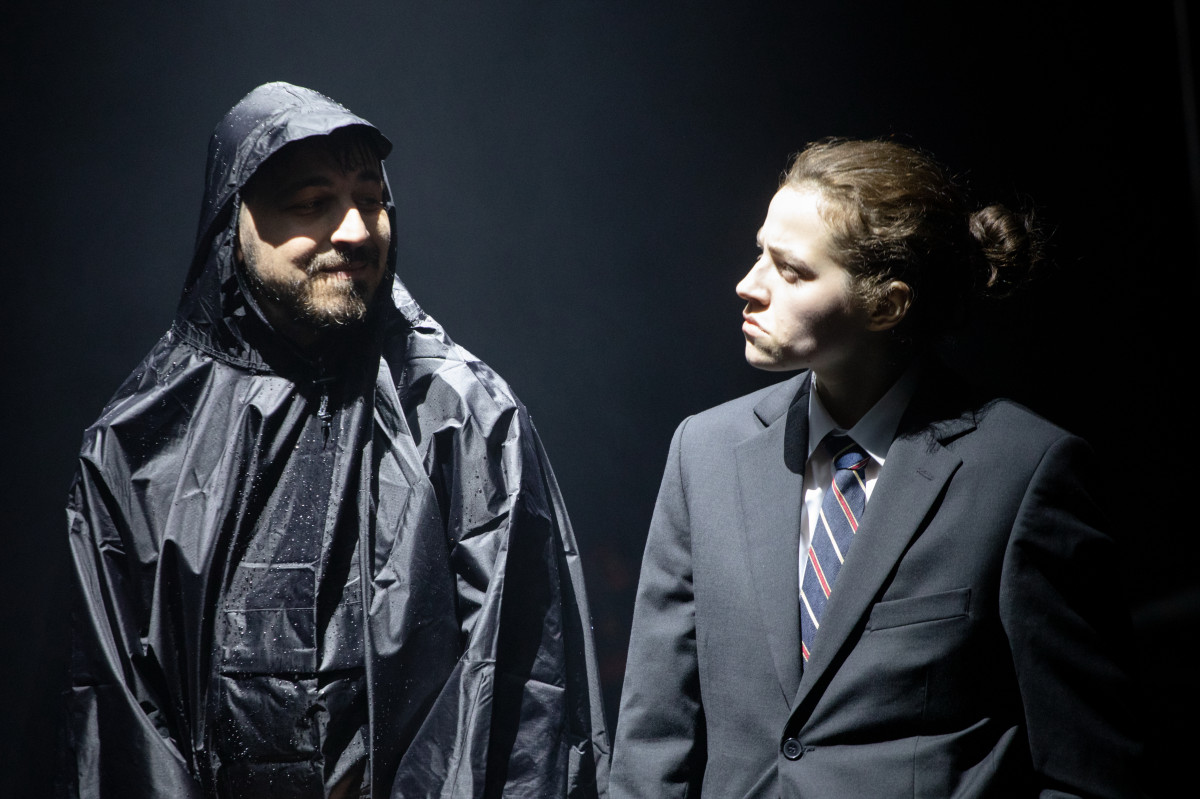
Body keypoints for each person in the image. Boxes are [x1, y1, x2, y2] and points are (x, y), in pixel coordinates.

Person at [60, 82, 609, 799]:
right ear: (234, 222)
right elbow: (121, 726)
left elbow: (520, 702)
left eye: (371, 199)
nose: (355, 230)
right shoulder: (140, 441)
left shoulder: (461, 417)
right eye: (312, 202)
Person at [609, 138, 1144, 797]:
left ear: (886, 305)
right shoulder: (705, 453)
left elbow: (1090, 770)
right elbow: (652, 741)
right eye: (759, 252)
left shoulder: (1021, 471)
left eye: (791, 270)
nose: (748, 286)